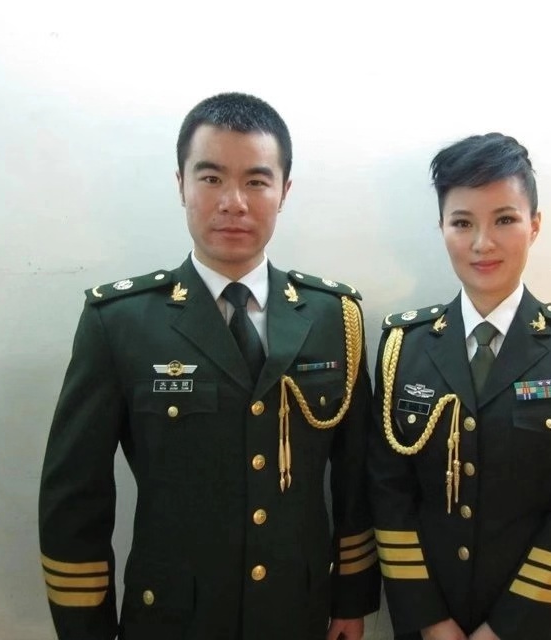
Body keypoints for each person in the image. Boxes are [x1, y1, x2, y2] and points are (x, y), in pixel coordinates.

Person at [38, 92, 380, 640]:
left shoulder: (334, 317)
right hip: (172, 618)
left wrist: (351, 599)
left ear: (285, 191)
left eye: (257, 181)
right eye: (212, 177)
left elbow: (356, 476)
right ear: (181, 184)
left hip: (297, 613)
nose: (233, 202)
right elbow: (75, 497)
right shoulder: (119, 322)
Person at [368, 133, 551, 640]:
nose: (482, 243)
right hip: (430, 622)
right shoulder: (403, 347)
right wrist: (430, 620)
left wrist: (506, 631)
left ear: (535, 225)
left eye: (504, 220)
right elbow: (388, 492)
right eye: (462, 222)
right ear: (441, 228)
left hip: (545, 624)